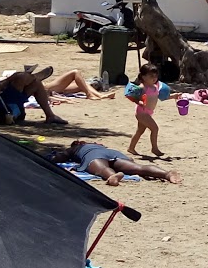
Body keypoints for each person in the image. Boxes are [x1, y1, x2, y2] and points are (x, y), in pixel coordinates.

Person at [51, 140, 181, 185]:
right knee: (138, 168)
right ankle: (166, 174)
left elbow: (60, 157)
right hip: (113, 153)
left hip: (93, 156)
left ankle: (112, 176)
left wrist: (53, 156)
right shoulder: (99, 145)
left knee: (102, 169)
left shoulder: (77, 148)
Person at [128, 63, 165, 156]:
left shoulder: (155, 87)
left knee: (140, 131)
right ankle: (154, 149)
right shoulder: (142, 87)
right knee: (155, 128)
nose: (154, 78)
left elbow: (160, 97)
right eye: (151, 76)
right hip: (142, 113)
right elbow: (133, 96)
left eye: (156, 76)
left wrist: (174, 96)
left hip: (148, 113)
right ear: (144, 77)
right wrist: (139, 102)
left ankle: (131, 148)